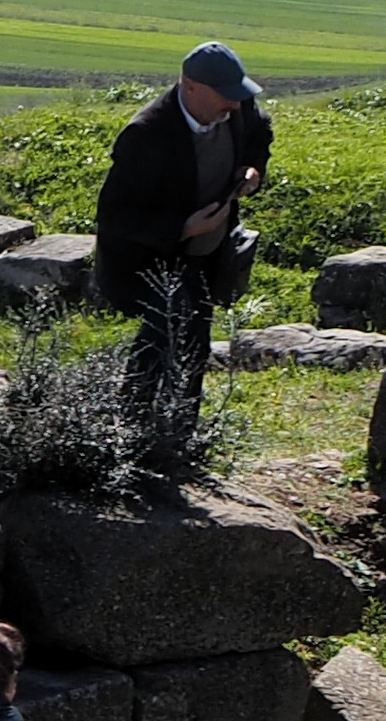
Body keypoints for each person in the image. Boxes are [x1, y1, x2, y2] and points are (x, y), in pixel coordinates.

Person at [91, 41, 271, 435]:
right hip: (149, 258)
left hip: (207, 254)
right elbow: (116, 217)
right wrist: (183, 228)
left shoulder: (238, 109)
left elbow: (261, 132)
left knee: (195, 340)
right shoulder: (146, 135)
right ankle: (131, 429)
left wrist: (253, 169)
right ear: (190, 87)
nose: (235, 105)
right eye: (225, 96)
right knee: (167, 329)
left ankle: (179, 433)